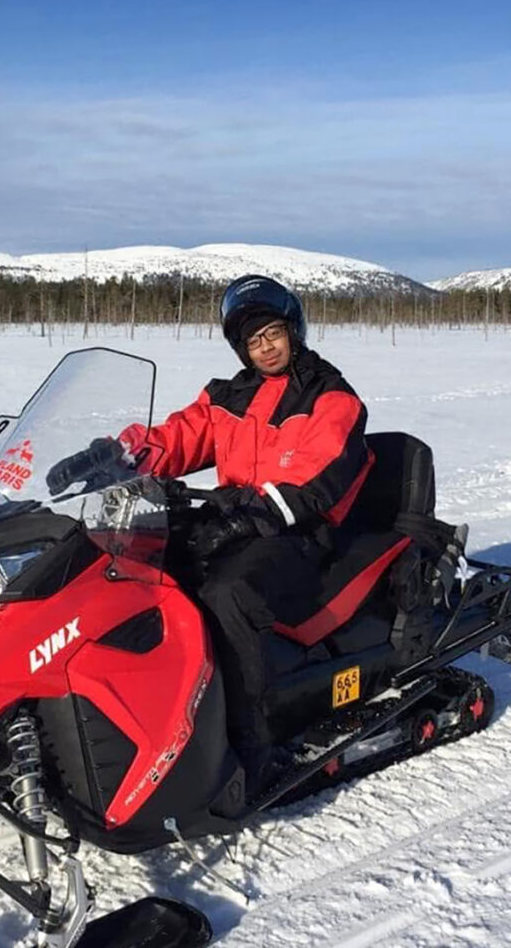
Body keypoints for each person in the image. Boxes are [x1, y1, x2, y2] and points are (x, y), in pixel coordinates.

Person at [49, 274, 372, 795]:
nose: (265, 348)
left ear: (294, 330)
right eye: (253, 340)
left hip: (299, 534)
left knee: (226, 595)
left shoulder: (330, 396)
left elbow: (320, 475)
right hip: (237, 520)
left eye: (272, 334)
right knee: (141, 569)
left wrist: (260, 510)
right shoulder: (229, 395)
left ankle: (252, 746)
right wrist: (114, 454)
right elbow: (179, 436)